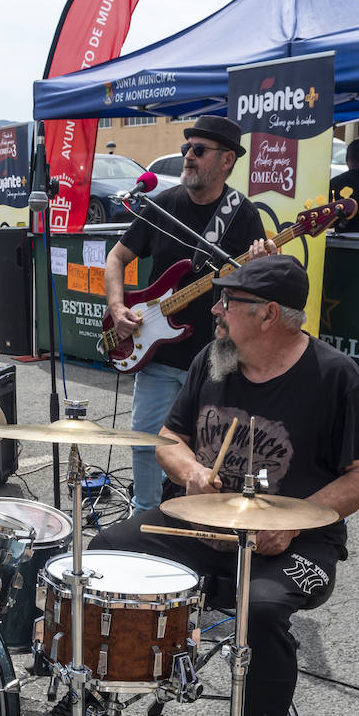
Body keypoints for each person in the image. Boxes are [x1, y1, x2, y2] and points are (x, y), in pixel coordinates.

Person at [24, 256, 359, 716]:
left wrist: (297, 523)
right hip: (201, 524)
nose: (214, 310)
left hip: (293, 541)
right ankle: (92, 703)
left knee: (261, 612)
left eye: (227, 302)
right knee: (107, 550)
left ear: (268, 314)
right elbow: (169, 439)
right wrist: (190, 470)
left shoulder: (334, 376)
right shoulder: (215, 357)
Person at [103, 115, 267, 515]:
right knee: (145, 439)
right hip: (159, 353)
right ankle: (143, 513)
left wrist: (260, 267)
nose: (188, 158)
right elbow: (115, 257)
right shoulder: (162, 205)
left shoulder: (242, 215)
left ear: (227, 160)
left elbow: (259, 289)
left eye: (198, 151)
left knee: (213, 448)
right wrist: (117, 306)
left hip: (216, 358)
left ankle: (205, 519)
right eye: (185, 149)